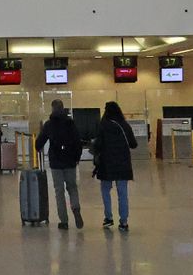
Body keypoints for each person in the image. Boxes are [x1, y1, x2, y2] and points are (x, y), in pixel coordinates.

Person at [35, 99, 85, 230]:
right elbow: (78, 142)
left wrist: (39, 145)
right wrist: (77, 158)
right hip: (70, 161)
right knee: (72, 188)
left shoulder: (49, 124)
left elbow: (39, 142)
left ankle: (64, 221)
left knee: (59, 191)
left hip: (56, 162)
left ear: (52, 109)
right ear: (63, 108)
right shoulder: (70, 123)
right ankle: (75, 208)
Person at [91, 101, 138, 232]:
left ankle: (108, 218)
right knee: (122, 193)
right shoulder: (124, 125)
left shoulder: (103, 125)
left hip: (106, 164)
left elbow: (98, 145)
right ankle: (123, 222)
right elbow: (133, 144)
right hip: (123, 163)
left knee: (106, 191)